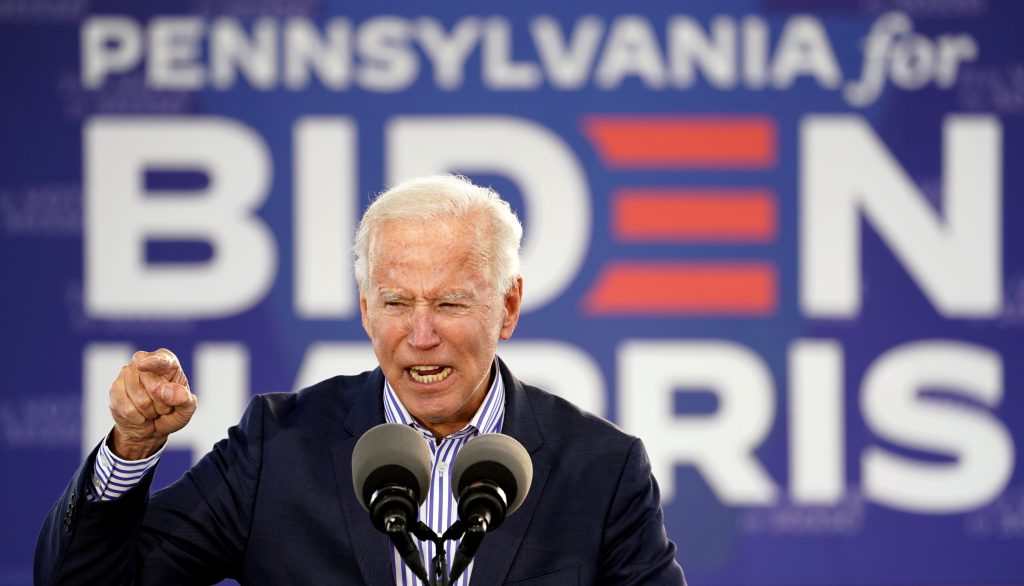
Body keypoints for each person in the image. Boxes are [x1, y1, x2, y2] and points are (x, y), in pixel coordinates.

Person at [36, 175, 686, 585]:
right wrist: (128, 453)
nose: (421, 334)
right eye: (397, 303)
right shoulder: (277, 448)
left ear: (508, 307)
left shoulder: (599, 470)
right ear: (365, 307)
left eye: (451, 303)